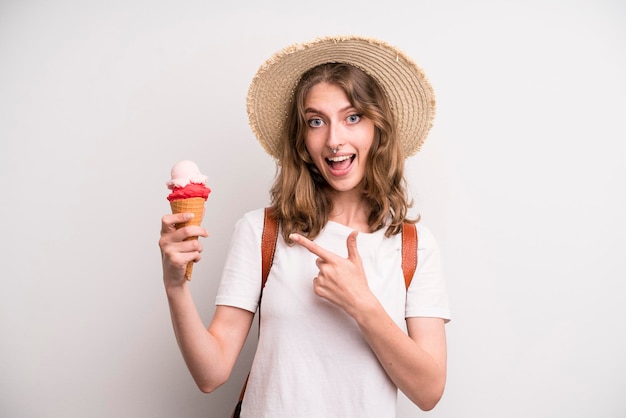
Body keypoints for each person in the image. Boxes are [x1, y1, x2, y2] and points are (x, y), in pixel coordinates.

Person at [159, 35, 451, 418]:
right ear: (302, 141)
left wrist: (362, 305)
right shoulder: (260, 232)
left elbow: (428, 392)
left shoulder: (414, 246)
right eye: (316, 121)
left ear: (378, 129)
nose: (334, 139)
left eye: (352, 117)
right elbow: (211, 374)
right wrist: (175, 284)